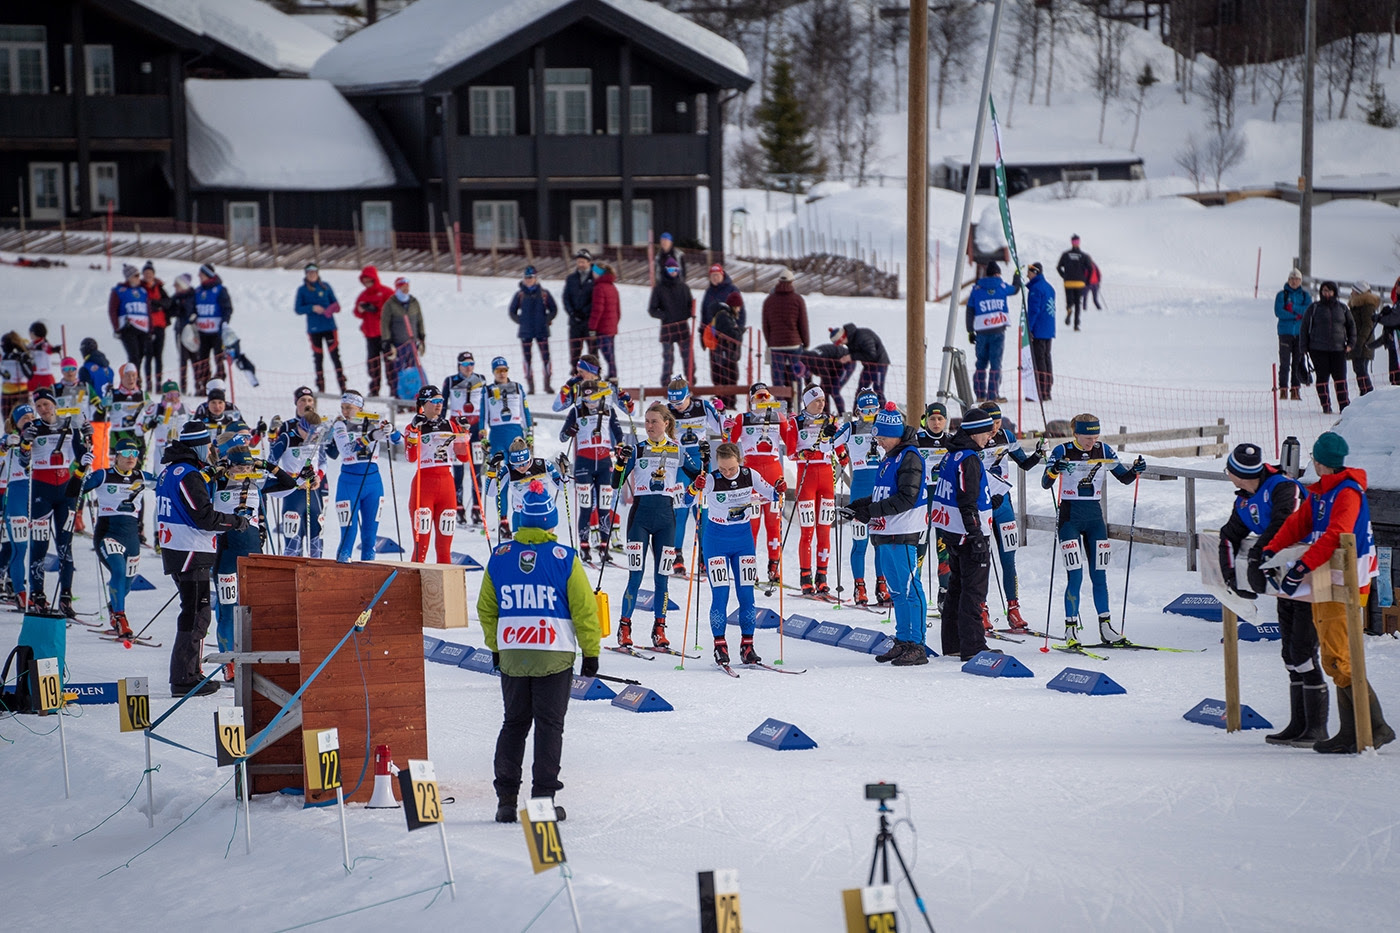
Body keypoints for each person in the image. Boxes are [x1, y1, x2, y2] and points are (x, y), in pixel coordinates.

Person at [1260, 432, 1394, 753]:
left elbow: (1337, 535)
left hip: (1348, 582)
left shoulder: (1347, 493)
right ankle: (1360, 727)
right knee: (1333, 658)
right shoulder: (1320, 493)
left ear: (1320, 463)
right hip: (1326, 578)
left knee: (1342, 658)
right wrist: (1272, 549)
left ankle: (1368, 728)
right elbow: (1298, 523)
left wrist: (1301, 568)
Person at [479, 480, 600, 823]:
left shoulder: (500, 557)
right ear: (550, 521)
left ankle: (505, 802)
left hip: (514, 655)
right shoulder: (564, 559)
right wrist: (591, 653)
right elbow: (584, 610)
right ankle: (542, 804)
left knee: (514, 725)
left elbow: (486, 609)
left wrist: (497, 646)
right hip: (554, 655)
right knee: (549, 727)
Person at [1217, 442, 1324, 746]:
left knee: (1303, 652)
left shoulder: (1282, 488)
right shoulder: (1244, 500)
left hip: (1309, 575)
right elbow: (1229, 534)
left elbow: (1284, 524)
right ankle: (1299, 724)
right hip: (1284, 581)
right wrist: (1230, 575)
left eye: (1229, 471)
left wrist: (1256, 557)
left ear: (1236, 473)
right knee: (1289, 653)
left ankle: (1316, 728)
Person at [156, 420, 246, 697]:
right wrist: (235, 522)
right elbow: (204, 517)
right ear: (198, 445)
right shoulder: (188, 474)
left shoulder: (175, 470)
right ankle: (185, 677)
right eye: (206, 444)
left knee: (196, 612)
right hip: (189, 550)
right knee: (197, 614)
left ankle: (189, 673)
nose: (209, 449)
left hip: (181, 548)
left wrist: (210, 474)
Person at [1042, 414, 1146, 645]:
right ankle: (1070, 629)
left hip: (1095, 520)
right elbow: (1045, 483)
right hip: (1070, 520)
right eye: (1088, 437)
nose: (1092, 442)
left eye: (1096, 437)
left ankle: (1106, 627)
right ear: (1076, 433)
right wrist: (1054, 470)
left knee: (1100, 576)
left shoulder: (1105, 450)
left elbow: (1125, 478)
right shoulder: (1062, 451)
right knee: (1075, 576)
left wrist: (1137, 470)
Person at [844, 403, 931, 666]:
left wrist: (870, 511)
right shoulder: (890, 456)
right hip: (886, 532)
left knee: (909, 588)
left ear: (894, 434)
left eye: (882, 437)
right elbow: (884, 492)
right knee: (895, 590)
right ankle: (903, 638)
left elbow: (906, 497)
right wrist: (860, 505)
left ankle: (918, 643)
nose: (879, 442)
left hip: (904, 531)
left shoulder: (910, 456)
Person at [209, 423, 298, 678]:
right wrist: (220, 471)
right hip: (226, 554)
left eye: (248, 467)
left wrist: (268, 466)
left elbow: (288, 482)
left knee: (253, 608)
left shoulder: (258, 483)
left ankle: (251, 658)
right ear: (229, 465)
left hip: (253, 555)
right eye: (239, 467)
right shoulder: (219, 482)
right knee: (228, 609)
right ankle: (228, 663)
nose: (244, 471)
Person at [613, 403, 701, 650]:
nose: (649, 426)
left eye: (654, 421)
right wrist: (621, 463)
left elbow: (698, 476)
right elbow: (615, 482)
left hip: (666, 521)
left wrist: (703, 460)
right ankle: (625, 628)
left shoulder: (677, 450)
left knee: (662, 578)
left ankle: (659, 629)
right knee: (635, 576)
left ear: (666, 423)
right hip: (639, 519)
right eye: (647, 421)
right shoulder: (638, 449)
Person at [697, 442, 784, 666]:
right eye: (723, 469)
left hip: (743, 541)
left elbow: (773, 495)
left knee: (747, 595)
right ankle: (720, 646)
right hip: (716, 540)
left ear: (740, 461)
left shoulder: (750, 475)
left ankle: (748, 646)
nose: (727, 474)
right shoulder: (711, 479)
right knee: (721, 595)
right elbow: (690, 500)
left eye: (731, 469)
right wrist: (693, 487)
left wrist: (779, 489)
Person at [923, 407, 998, 661]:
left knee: (956, 587)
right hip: (968, 534)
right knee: (973, 590)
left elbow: (960, 493)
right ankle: (973, 645)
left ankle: (953, 643)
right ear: (975, 433)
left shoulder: (952, 454)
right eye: (987, 433)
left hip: (953, 531)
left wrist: (989, 501)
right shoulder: (968, 458)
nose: (990, 437)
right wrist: (976, 533)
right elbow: (967, 500)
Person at [976, 403, 1043, 633]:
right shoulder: (974, 439)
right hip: (982, 505)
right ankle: (981, 609)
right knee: (982, 560)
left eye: (997, 423)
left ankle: (1013, 609)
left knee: (1008, 558)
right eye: (990, 424)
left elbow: (1023, 463)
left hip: (1003, 503)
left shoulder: (1006, 436)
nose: (994, 428)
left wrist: (1037, 456)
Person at [25, 387, 91, 618]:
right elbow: (24, 458)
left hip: (66, 492)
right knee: (39, 546)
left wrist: (85, 454)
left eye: (46, 404)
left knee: (65, 546)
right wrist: (25, 441)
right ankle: (38, 595)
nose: (43, 409)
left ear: (54, 404)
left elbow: (80, 450)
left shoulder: (68, 423)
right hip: (41, 492)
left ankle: (65, 596)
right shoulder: (33, 426)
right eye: (39, 405)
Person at [81, 438, 155, 637]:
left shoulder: (142, 476)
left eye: (135, 454)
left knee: (128, 582)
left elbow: (167, 486)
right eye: (126, 454)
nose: (131, 458)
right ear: (117, 456)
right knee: (119, 571)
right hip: (108, 533)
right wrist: (81, 469)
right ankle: (121, 617)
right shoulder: (102, 475)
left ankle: (114, 608)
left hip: (131, 536)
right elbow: (75, 490)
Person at [782, 385, 849, 596]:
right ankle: (805, 577)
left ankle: (822, 577)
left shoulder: (830, 420)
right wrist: (806, 454)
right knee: (807, 531)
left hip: (826, 480)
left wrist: (842, 454)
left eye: (822, 400)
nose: (821, 403)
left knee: (824, 530)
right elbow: (791, 452)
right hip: (806, 480)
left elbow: (838, 446)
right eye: (816, 400)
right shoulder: (796, 422)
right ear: (806, 402)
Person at [729, 383, 788, 584]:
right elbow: (728, 445)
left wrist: (793, 423)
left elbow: (793, 442)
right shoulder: (742, 418)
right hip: (750, 476)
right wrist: (726, 429)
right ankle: (748, 566)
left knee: (773, 524)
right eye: (759, 397)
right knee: (751, 526)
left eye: (766, 396)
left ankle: (774, 566)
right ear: (751, 400)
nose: (763, 400)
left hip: (773, 474)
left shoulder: (778, 417)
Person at [331, 391, 400, 563]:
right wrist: (370, 437)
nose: (345, 411)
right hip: (349, 483)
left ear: (360, 408)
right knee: (349, 533)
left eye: (349, 408)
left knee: (370, 536)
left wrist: (391, 430)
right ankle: (341, 575)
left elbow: (398, 441)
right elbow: (346, 449)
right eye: (343, 408)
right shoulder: (340, 425)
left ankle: (369, 577)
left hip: (373, 483)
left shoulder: (373, 422)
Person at [560, 378, 623, 563]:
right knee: (586, 507)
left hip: (605, 464)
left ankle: (604, 546)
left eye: (593, 400)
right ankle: (585, 546)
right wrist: (570, 431)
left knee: (604, 507)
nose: (590, 404)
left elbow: (618, 433)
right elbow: (563, 437)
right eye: (586, 401)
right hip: (583, 465)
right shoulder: (576, 411)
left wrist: (620, 445)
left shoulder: (608, 410)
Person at [666, 378, 723, 578]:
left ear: (688, 396)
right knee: (680, 511)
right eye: (673, 404)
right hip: (680, 465)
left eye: (680, 403)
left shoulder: (702, 406)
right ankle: (677, 557)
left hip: (701, 465)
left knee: (703, 513)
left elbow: (720, 429)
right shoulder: (668, 411)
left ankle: (703, 558)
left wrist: (720, 413)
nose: (677, 407)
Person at [405, 385, 465, 562]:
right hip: (424, 485)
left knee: (445, 546)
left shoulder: (450, 425)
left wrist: (463, 432)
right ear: (424, 403)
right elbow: (411, 457)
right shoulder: (413, 425)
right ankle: (414, 585)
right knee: (421, 544)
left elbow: (463, 457)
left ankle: (446, 588)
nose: (439, 405)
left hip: (447, 486)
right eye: (435, 401)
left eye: (441, 401)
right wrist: (415, 431)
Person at [269, 386, 331, 559]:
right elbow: (271, 464)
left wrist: (318, 477)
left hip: (314, 490)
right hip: (293, 492)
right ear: (300, 426)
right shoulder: (287, 436)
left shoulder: (318, 435)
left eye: (315, 435)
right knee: (293, 539)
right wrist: (291, 480)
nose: (311, 438)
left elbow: (324, 461)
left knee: (316, 538)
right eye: (308, 434)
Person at [843, 390, 882, 605]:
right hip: (859, 489)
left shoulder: (885, 426)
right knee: (860, 543)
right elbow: (826, 443)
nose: (869, 414)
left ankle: (882, 584)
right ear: (857, 410)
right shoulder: (851, 428)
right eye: (865, 410)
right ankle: (859, 586)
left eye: (873, 409)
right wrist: (829, 432)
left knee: (881, 542)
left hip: (882, 491)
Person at [488, 436, 566, 541]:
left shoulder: (543, 465)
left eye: (525, 463)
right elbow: (491, 492)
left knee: (543, 550)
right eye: (516, 465)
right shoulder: (508, 470)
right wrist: (492, 467)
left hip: (542, 514)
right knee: (520, 553)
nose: (521, 468)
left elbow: (563, 487)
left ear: (530, 458)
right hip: (520, 515)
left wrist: (565, 471)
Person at [965, 261, 1018, 404]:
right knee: (996, 364)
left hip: (981, 331)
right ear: (997, 273)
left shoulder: (976, 289)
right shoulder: (1002, 286)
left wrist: (970, 330)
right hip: (998, 331)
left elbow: (970, 310)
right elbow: (1015, 289)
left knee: (980, 363)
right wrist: (1017, 277)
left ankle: (980, 394)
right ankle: (993, 395)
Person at [1299, 280, 1355, 414]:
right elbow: (1304, 327)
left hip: (1339, 349)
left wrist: (1351, 344)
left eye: (1329, 291)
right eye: (1324, 291)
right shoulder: (1314, 308)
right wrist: (1304, 347)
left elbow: (1351, 327)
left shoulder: (1342, 308)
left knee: (1340, 379)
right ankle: (1326, 406)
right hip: (1318, 349)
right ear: (1321, 292)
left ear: (1335, 292)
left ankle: (1344, 407)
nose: (1327, 293)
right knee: (1322, 379)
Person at [444, 351, 487, 524]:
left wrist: (484, 427)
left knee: (477, 470)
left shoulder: (481, 379)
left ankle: (477, 508)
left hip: (476, 429)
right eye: (465, 364)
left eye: (471, 364)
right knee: (458, 471)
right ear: (459, 365)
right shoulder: (450, 380)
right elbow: (443, 403)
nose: (469, 368)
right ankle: (458, 507)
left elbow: (485, 405)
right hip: (457, 430)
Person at [3, 405, 37, 609]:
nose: (30, 420)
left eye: (32, 416)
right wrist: (6, 443)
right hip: (17, 493)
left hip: (37, 492)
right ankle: (20, 591)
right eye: (25, 417)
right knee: (20, 546)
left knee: (37, 546)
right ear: (16, 422)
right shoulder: (10, 438)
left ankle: (36, 592)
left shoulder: (39, 435)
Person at [295, 262, 346, 394]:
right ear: (306, 275)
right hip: (314, 329)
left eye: (314, 273)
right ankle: (320, 386)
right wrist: (312, 308)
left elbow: (336, 304)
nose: (312, 275)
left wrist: (331, 309)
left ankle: (342, 385)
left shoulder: (326, 287)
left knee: (335, 356)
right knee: (318, 357)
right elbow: (298, 309)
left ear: (318, 274)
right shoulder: (302, 290)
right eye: (309, 273)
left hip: (329, 327)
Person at [509, 265, 558, 394]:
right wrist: (521, 321)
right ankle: (531, 385)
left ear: (536, 278)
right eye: (526, 277)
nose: (528, 280)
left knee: (546, 358)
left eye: (531, 277)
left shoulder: (544, 294)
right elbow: (512, 311)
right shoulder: (520, 294)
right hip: (526, 332)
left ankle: (547, 384)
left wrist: (546, 320)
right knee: (527, 359)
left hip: (542, 330)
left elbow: (554, 309)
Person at [648, 256, 694, 385]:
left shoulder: (684, 287)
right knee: (668, 358)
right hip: (667, 328)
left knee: (688, 357)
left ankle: (691, 382)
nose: (673, 272)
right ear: (665, 270)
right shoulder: (659, 288)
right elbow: (652, 309)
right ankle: (665, 384)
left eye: (675, 269)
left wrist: (687, 314)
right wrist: (665, 316)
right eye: (670, 269)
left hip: (683, 327)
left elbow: (691, 306)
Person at [479, 356, 532, 467]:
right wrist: (483, 437)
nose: (502, 374)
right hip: (497, 434)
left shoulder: (518, 387)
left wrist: (529, 433)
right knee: (497, 468)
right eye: (498, 371)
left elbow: (525, 412)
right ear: (493, 372)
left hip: (515, 433)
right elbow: (483, 415)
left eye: (504, 370)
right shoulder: (487, 390)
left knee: (517, 467)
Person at [700, 264, 744, 395]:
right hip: (714, 335)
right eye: (712, 276)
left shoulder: (732, 290)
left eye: (717, 275)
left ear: (722, 275)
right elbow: (704, 313)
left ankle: (730, 394)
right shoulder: (709, 292)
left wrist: (738, 331)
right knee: (716, 366)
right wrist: (702, 334)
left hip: (730, 336)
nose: (715, 278)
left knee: (730, 366)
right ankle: (718, 393)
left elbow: (741, 313)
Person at [761, 268, 808, 389]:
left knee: (778, 380)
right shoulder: (798, 299)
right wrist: (806, 343)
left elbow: (765, 326)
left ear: (778, 281)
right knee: (796, 377)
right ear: (792, 282)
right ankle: (796, 405)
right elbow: (803, 324)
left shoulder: (769, 300)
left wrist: (770, 342)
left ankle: (780, 406)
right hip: (794, 344)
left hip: (776, 345)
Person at [380, 277, 426, 397]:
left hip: (412, 343)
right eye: (403, 286)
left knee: (413, 371)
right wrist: (386, 341)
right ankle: (399, 396)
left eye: (407, 286)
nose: (406, 289)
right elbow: (385, 323)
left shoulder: (414, 302)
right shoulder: (390, 304)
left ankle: (414, 395)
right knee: (398, 372)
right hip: (397, 344)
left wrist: (422, 336)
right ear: (398, 287)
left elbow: (419, 320)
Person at [352, 265, 393, 397]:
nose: (368, 284)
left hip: (385, 334)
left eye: (370, 281)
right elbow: (356, 312)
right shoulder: (363, 295)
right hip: (370, 334)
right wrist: (361, 310)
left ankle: (393, 388)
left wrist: (375, 309)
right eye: (365, 282)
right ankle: (374, 388)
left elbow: (391, 311)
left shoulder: (386, 292)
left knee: (390, 362)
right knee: (373, 363)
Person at [192, 264, 232, 392]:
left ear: (208, 275)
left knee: (218, 358)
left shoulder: (220, 290)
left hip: (217, 332)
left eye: (201, 274)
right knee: (203, 360)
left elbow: (227, 308)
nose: (199, 277)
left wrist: (224, 322)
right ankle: (204, 385)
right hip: (202, 332)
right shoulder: (198, 291)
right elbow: (192, 308)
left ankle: (219, 385)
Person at [829, 323, 891, 402]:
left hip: (880, 364)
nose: (841, 345)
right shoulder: (850, 340)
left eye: (840, 342)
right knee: (861, 390)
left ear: (843, 337)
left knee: (878, 390)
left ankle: (882, 412)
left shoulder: (863, 337)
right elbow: (856, 353)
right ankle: (857, 412)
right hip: (867, 366)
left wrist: (851, 357)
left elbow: (871, 355)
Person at [1274, 268, 1310, 400]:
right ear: (1288, 280)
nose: (1294, 281)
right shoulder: (1281, 295)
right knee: (1284, 362)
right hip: (1285, 332)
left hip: (1300, 333)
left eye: (1297, 279)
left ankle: (1295, 390)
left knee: (1297, 362)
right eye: (1292, 279)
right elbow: (1279, 312)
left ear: (1300, 281)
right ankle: (1283, 389)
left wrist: (1293, 308)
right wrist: (1296, 316)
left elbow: (1307, 311)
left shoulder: (1305, 296)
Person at [109, 264, 151, 372]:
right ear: (129, 277)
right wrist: (116, 328)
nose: (138, 278)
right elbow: (113, 310)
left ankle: (136, 376)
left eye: (138, 275)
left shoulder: (143, 291)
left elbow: (148, 311)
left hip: (142, 327)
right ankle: (133, 380)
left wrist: (151, 329)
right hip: (128, 327)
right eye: (136, 276)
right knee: (134, 355)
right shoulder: (119, 290)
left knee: (141, 354)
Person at [1025, 261, 1056, 400]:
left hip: (1038, 329)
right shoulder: (1049, 287)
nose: (1027, 275)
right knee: (1046, 358)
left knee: (1039, 360)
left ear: (1035, 272)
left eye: (1029, 272)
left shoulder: (1036, 289)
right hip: (1048, 328)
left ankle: (1041, 390)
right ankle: (1047, 389)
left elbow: (1034, 310)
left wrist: (1029, 328)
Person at [587, 261, 621, 380]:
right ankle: (613, 374)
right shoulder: (612, 287)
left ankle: (613, 375)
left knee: (607, 354)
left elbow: (597, 309)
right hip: (611, 327)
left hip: (602, 327)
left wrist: (592, 327)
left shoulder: (599, 287)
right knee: (611, 353)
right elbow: (618, 310)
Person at [140, 261, 170, 392]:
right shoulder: (140, 287)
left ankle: (158, 382)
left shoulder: (159, 287)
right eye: (146, 273)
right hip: (146, 326)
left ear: (153, 274)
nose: (148, 275)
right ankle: (148, 382)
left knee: (159, 355)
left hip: (160, 325)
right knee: (148, 355)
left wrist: (158, 304)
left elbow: (168, 301)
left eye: (150, 273)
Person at [562, 249, 595, 367]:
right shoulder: (571, 278)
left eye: (583, 262)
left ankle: (593, 376)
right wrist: (572, 312)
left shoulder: (595, 277)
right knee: (575, 351)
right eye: (579, 262)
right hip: (574, 321)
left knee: (593, 350)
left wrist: (585, 312)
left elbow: (596, 299)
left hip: (590, 321)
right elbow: (566, 298)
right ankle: (575, 374)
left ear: (589, 262)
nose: (581, 264)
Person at [1347, 280, 1379, 397]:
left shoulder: (1367, 306)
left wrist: (1359, 343)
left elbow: (1367, 326)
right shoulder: (1356, 305)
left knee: (1361, 370)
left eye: (1353, 291)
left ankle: (1369, 395)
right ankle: (1365, 394)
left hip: (1364, 343)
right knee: (1359, 370)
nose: (1351, 293)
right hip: (1360, 342)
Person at [1056, 234, 1093, 331]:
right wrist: (1087, 280)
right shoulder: (1084, 256)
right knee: (1078, 303)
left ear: (1071, 242)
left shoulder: (1065, 254)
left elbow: (1058, 267)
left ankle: (1069, 309)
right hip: (1080, 282)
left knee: (1069, 300)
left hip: (1068, 282)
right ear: (1079, 242)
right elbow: (1090, 269)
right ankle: (1076, 325)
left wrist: (1064, 276)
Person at [167, 274, 197, 393]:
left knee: (196, 358)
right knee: (183, 359)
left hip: (194, 332)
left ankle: (199, 386)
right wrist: (176, 310)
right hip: (180, 331)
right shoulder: (176, 297)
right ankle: (183, 387)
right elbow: (169, 310)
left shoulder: (193, 296)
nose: (175, 287)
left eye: (178, 285)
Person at [1, 333, 33, 422]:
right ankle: (11, 435)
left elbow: (30, 374)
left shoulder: (22, 355)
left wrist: (22, 361)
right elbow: (5, 374)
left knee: (22, 419)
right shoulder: (4, 356)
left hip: (20, 392)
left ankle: (23, 435)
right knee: (8, 421)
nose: (3, 347)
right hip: (6, 392)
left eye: (4, 344)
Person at [77, 336, 113, 403]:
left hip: (94, 407)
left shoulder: (85, 369)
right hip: (109, 405)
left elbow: (83, 391)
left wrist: (77, 403)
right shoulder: (109, 369)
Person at [27, 322, 57, 393]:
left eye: (30, 332)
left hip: (45, 375)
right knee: (30, 395)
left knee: (48, 394)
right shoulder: (31, 345)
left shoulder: (44, 344)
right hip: (34, 375)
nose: (29, 335)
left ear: (34, 333)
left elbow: (49, 349)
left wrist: (54, 349)